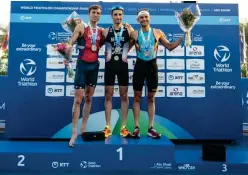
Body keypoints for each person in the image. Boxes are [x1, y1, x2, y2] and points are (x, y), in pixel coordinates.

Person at [130, 9, 183, 139]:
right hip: (139, 66)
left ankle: (150, 128)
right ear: (138, 20)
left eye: (146, 17)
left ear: (150, 18)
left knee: (151, 97)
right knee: (137, 97)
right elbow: (125, 49)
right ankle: (136, 127)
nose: (144, 19)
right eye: (141, 17)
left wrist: (183, 36)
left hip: (152, 67)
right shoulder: (134, 34)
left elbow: (170, 47)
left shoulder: (157, 32)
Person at [67, 4, 104, 147]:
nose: (96, 14)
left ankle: (83, 129)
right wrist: (66, 55)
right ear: (89, 14)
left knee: (89, 98)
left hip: (94, 67)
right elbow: (70, 44)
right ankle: (74, 132)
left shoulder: (101, 31)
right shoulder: (81, 27)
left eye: (98, 13)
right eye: (94, 12)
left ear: (100, 15)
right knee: (78, 99)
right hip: (82, 66)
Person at [101, 5, 134, 138]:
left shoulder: (128, 30)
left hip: (123, 66)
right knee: (108, 96)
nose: (118, 17)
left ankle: (123, 127)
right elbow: (96, 44)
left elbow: (137, 39)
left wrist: (127, 49)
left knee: (124, 96)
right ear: (111, 16)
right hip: (110, 66)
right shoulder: (105, 31)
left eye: (120, 14)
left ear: (123, 16)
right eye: (115, 14)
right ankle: (107, 127)